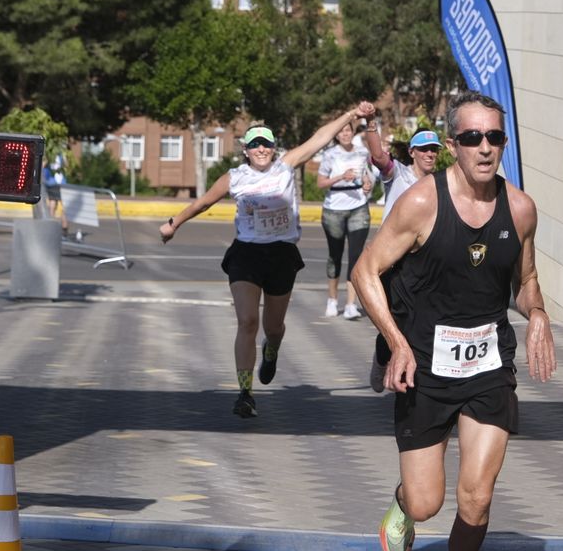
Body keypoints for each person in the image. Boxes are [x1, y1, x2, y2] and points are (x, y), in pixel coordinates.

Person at [351, 91, 555, 551]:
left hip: (489, 365)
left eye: (494, 137)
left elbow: (526, 279)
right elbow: (365, 272)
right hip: (425, 367)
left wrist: (537, 313)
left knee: (478, 494)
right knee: (427, 500)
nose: (484, 148)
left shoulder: (521, 208)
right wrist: (395, 340)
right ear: (451, 146)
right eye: (471, 138)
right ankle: (401, 505)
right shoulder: (421, 203)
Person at [161, 101, 376, 419]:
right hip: (246, 254)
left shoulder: (286, 166)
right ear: (246, 151)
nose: (261, 148)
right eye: (254, 144)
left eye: (266, 143)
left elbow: (319, 138)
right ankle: (245, 393)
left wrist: (350, 115)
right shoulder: (235, 177)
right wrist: (174, 223)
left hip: (281, 255)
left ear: (274, 148)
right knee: (247, 321)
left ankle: (271, 348)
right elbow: (202, 203)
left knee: (273, 326)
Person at [362, 122, 445, 391]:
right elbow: (377, 156)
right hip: (392, 260)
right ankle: (383, 357)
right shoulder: (397, 174)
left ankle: (419, 375)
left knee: (422, 320)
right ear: (412, 152)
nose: (429, 154)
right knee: (395, 319)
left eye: (434, 149)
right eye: (424, 149)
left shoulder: (440, 184)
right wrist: (371, 123)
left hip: (423, 261)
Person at [317, 118, 375, 320]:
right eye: (341, 131)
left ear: (352, 132)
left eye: (348, 131)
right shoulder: (329, 155)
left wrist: (367, 184)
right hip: (334, 210)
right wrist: (341, 177)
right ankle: (332, 300)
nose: (345, 134)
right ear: (336, 135)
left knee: (356, 256)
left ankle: (351, 304)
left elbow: (367, 175)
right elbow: (320, 183)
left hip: (358, 207)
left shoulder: (362, 152)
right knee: (335, 255)